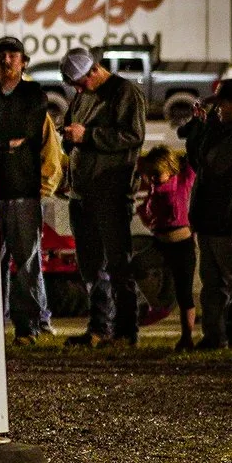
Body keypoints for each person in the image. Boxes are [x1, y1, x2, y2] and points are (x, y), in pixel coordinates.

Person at [59, 46, 147, 345]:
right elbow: (73, 131)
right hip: (82, 193)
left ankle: (126, 331)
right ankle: (99, 328)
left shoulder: (124, 93)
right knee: (91, 264)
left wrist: (88, 136)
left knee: (118, 263)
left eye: (81, 83)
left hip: (111, 193)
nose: (79, 90)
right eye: (74, 86)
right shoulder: (83, 95)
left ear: (94, 70)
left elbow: (133, 135)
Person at [179, 78, 232, 349]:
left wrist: (201, 134)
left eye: (222, 103)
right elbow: (200, 161)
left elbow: (210, 165)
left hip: (230, 221)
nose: (217, 109)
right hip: (211, 219)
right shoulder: (227, 130)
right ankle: (215, 336)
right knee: (212, 284)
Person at [0, 36, 54, 340]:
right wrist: (7, 144)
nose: (6, 60)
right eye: (1, 55)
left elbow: (26, 133)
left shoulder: (33, 94)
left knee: (26, 261)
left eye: (12, 55)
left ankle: (30, 326)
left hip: (24, 191)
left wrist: (2, 143)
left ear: (23, 62)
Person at [134, 145, 198, 349]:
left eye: (156, 174)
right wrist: (146, 216)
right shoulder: (153, 190)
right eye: (149, 174)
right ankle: (159, 304)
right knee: (137, 264)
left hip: (181, 245)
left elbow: (193, 159)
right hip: (160, 244)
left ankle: (187, 337)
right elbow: (147, 214)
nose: (152, 178)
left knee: (184, 293)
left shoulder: (182, 182)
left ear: (170, 169)